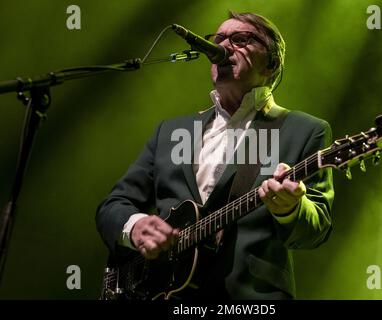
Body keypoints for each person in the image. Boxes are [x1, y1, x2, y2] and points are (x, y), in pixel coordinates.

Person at [96, 11, 334, 300]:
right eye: (218, 39)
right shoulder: (171, 131)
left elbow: (317, 230)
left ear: (271, 63)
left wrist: (290, 209)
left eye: (241, 39)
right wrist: (135, 227)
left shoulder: (303, 130)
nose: (224, 47)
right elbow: (114, 204)